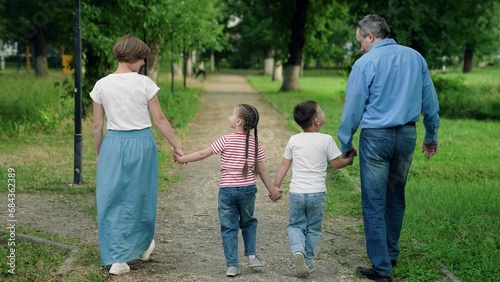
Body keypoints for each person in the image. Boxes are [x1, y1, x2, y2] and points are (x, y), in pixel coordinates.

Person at [338, 14, 440, 281]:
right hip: (407, 137)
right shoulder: (415, 57)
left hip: (376, 141)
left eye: (361, 41)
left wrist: (345, 142)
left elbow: (353, 109)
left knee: (373, 202)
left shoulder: (364, 64)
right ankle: (391, 254)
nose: (360, 46)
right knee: (395, 196)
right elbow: (429, 100)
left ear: (370, 36)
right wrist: (431, 134)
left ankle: (381, 268)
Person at [90, 34, 183, 275]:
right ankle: (142, 245)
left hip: (113, 143)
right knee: (141, 195)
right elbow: (160, 119)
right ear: (132, 58)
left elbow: (97, 126)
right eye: (142, 59)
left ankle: (120, 258)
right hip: (141, 143)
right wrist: (176, 145)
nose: (143, 63)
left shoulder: (101, 85)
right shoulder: (144, 84)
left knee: (111, 198)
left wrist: (100, 153)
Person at [174, 104, 283, 277]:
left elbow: (203, 154)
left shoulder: (225, 140)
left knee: (228, 227)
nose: (230, 116)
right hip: (248, 190)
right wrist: (273, 190)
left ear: (238, 121)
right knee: (248, 222)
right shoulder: (256, 144)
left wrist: (182, 159)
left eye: (232, 114)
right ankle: (252, 257)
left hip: (227, 191)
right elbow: (262, 170)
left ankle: (232, 265)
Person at [273, 101, 356, 278]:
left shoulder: (294, 140)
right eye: (321, 111)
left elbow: (284, 165)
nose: (324, 112)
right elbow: (336, 164)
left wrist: (276, 185)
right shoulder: (326, 140)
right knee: (313, 229)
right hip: (317, 194)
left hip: (296, 193)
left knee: (295, 225)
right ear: (317, 121)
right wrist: (348, 160)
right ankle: (307, 260)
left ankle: (298, 251)